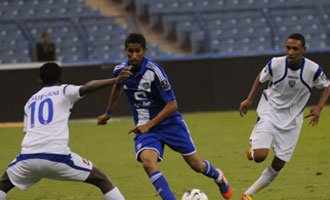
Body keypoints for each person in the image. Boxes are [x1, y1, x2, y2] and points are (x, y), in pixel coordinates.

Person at [97, 33, 233, 200]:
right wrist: (108, 113)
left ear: (144, 51)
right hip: (145, 127)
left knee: (196, 165)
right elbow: (117, 86)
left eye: (137, 51)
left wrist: (149, 124)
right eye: (130, 51)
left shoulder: (155, 71)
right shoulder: (120, 70)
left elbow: (172, 104)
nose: (133, 55)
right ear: (125, 51)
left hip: (170, 124)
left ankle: (218, 176)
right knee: (148, 162)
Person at [0, 62, 132, 200]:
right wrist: (115, 80)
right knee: (101, 180)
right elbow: (88, 87)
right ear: (60, 77)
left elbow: (28, 131)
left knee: (3, 184)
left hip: (27, 157)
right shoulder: (63, 90)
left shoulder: (30, 102)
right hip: (56, 156)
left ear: (40, 79)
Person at [239, 33, 330, 200]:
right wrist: (249, 99)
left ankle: (247, 194)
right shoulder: (275, 63)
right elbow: (260, 78)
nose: (290, 52)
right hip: (270, 112)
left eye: (295, 48)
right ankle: (253, 149)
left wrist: (319, 108)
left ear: (304, 50)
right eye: (288, 48)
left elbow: (327, 85)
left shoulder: (313, 69)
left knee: (279, 164)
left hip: (293, 121)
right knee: (260, 157)